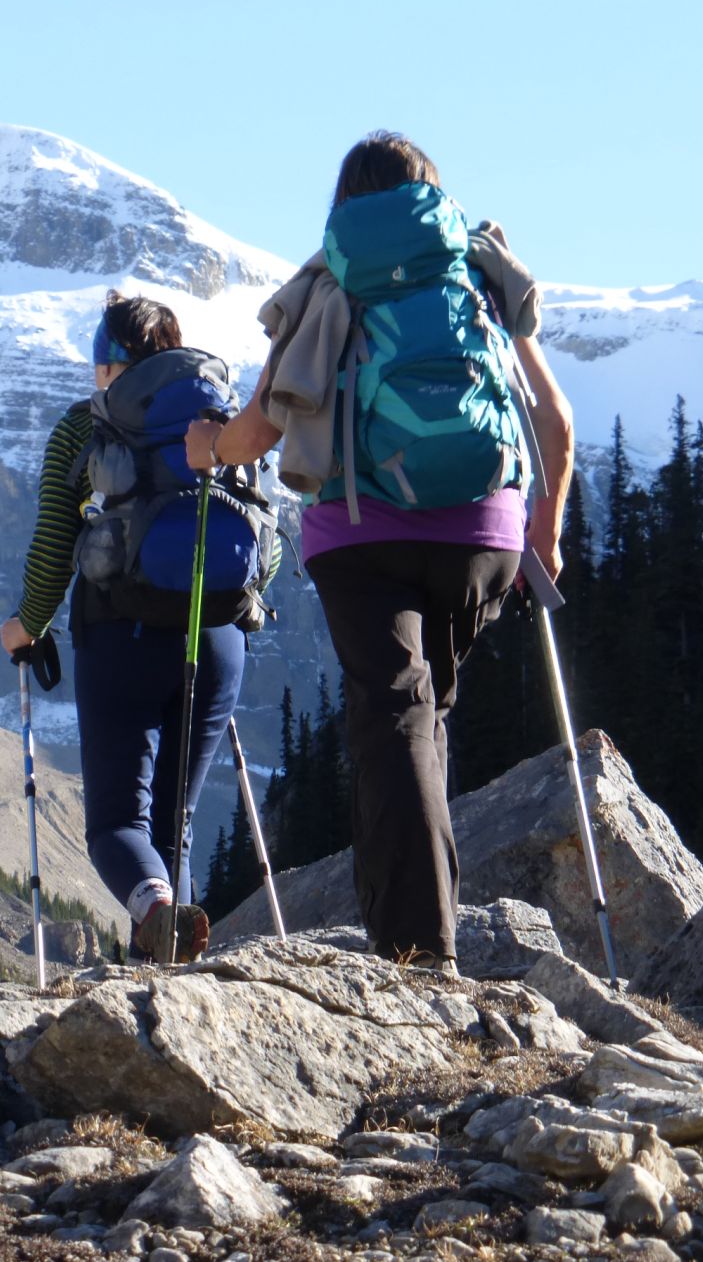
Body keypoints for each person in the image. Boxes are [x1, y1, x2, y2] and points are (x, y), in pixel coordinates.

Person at [186, 131, 574, 975]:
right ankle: (420, 927)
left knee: (393, 715)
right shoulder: (478, 272)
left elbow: (261, 427)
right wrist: (541, 533)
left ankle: (416, 952)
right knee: (427, 713)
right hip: (484, 534)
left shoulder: (331, 280)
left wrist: (207, 448)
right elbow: (556, 419)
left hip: (363, 532)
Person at [1, 291, 254, 964]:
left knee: (118, 823)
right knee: (175, 823)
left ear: (111, 362)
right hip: (216, 636)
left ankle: (158, 915)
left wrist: (27, 625)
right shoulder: (220, 420)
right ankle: (165, 973)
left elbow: (54, 544)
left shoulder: (84, 425)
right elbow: (268, 542)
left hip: (122, 635)